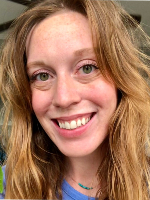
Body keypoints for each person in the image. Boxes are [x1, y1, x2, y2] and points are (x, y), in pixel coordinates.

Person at [0, 0, 150, 199]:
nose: (64, 98)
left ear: (121, 78)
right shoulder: (12, 182)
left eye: (87, 67)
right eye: (42, 76)